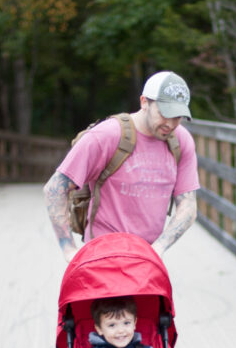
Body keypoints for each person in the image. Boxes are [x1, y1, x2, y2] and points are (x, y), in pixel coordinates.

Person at [44, 71, 199, 262]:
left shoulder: (181, 141)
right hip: (103, 256)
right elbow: (54, 189)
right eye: (164, 113)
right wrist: (68, 249)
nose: (170, 123)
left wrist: (159, 247)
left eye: (178, 117)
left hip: (147, 259)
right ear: (144, 102)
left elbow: (188, 203)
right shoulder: (107, 135)